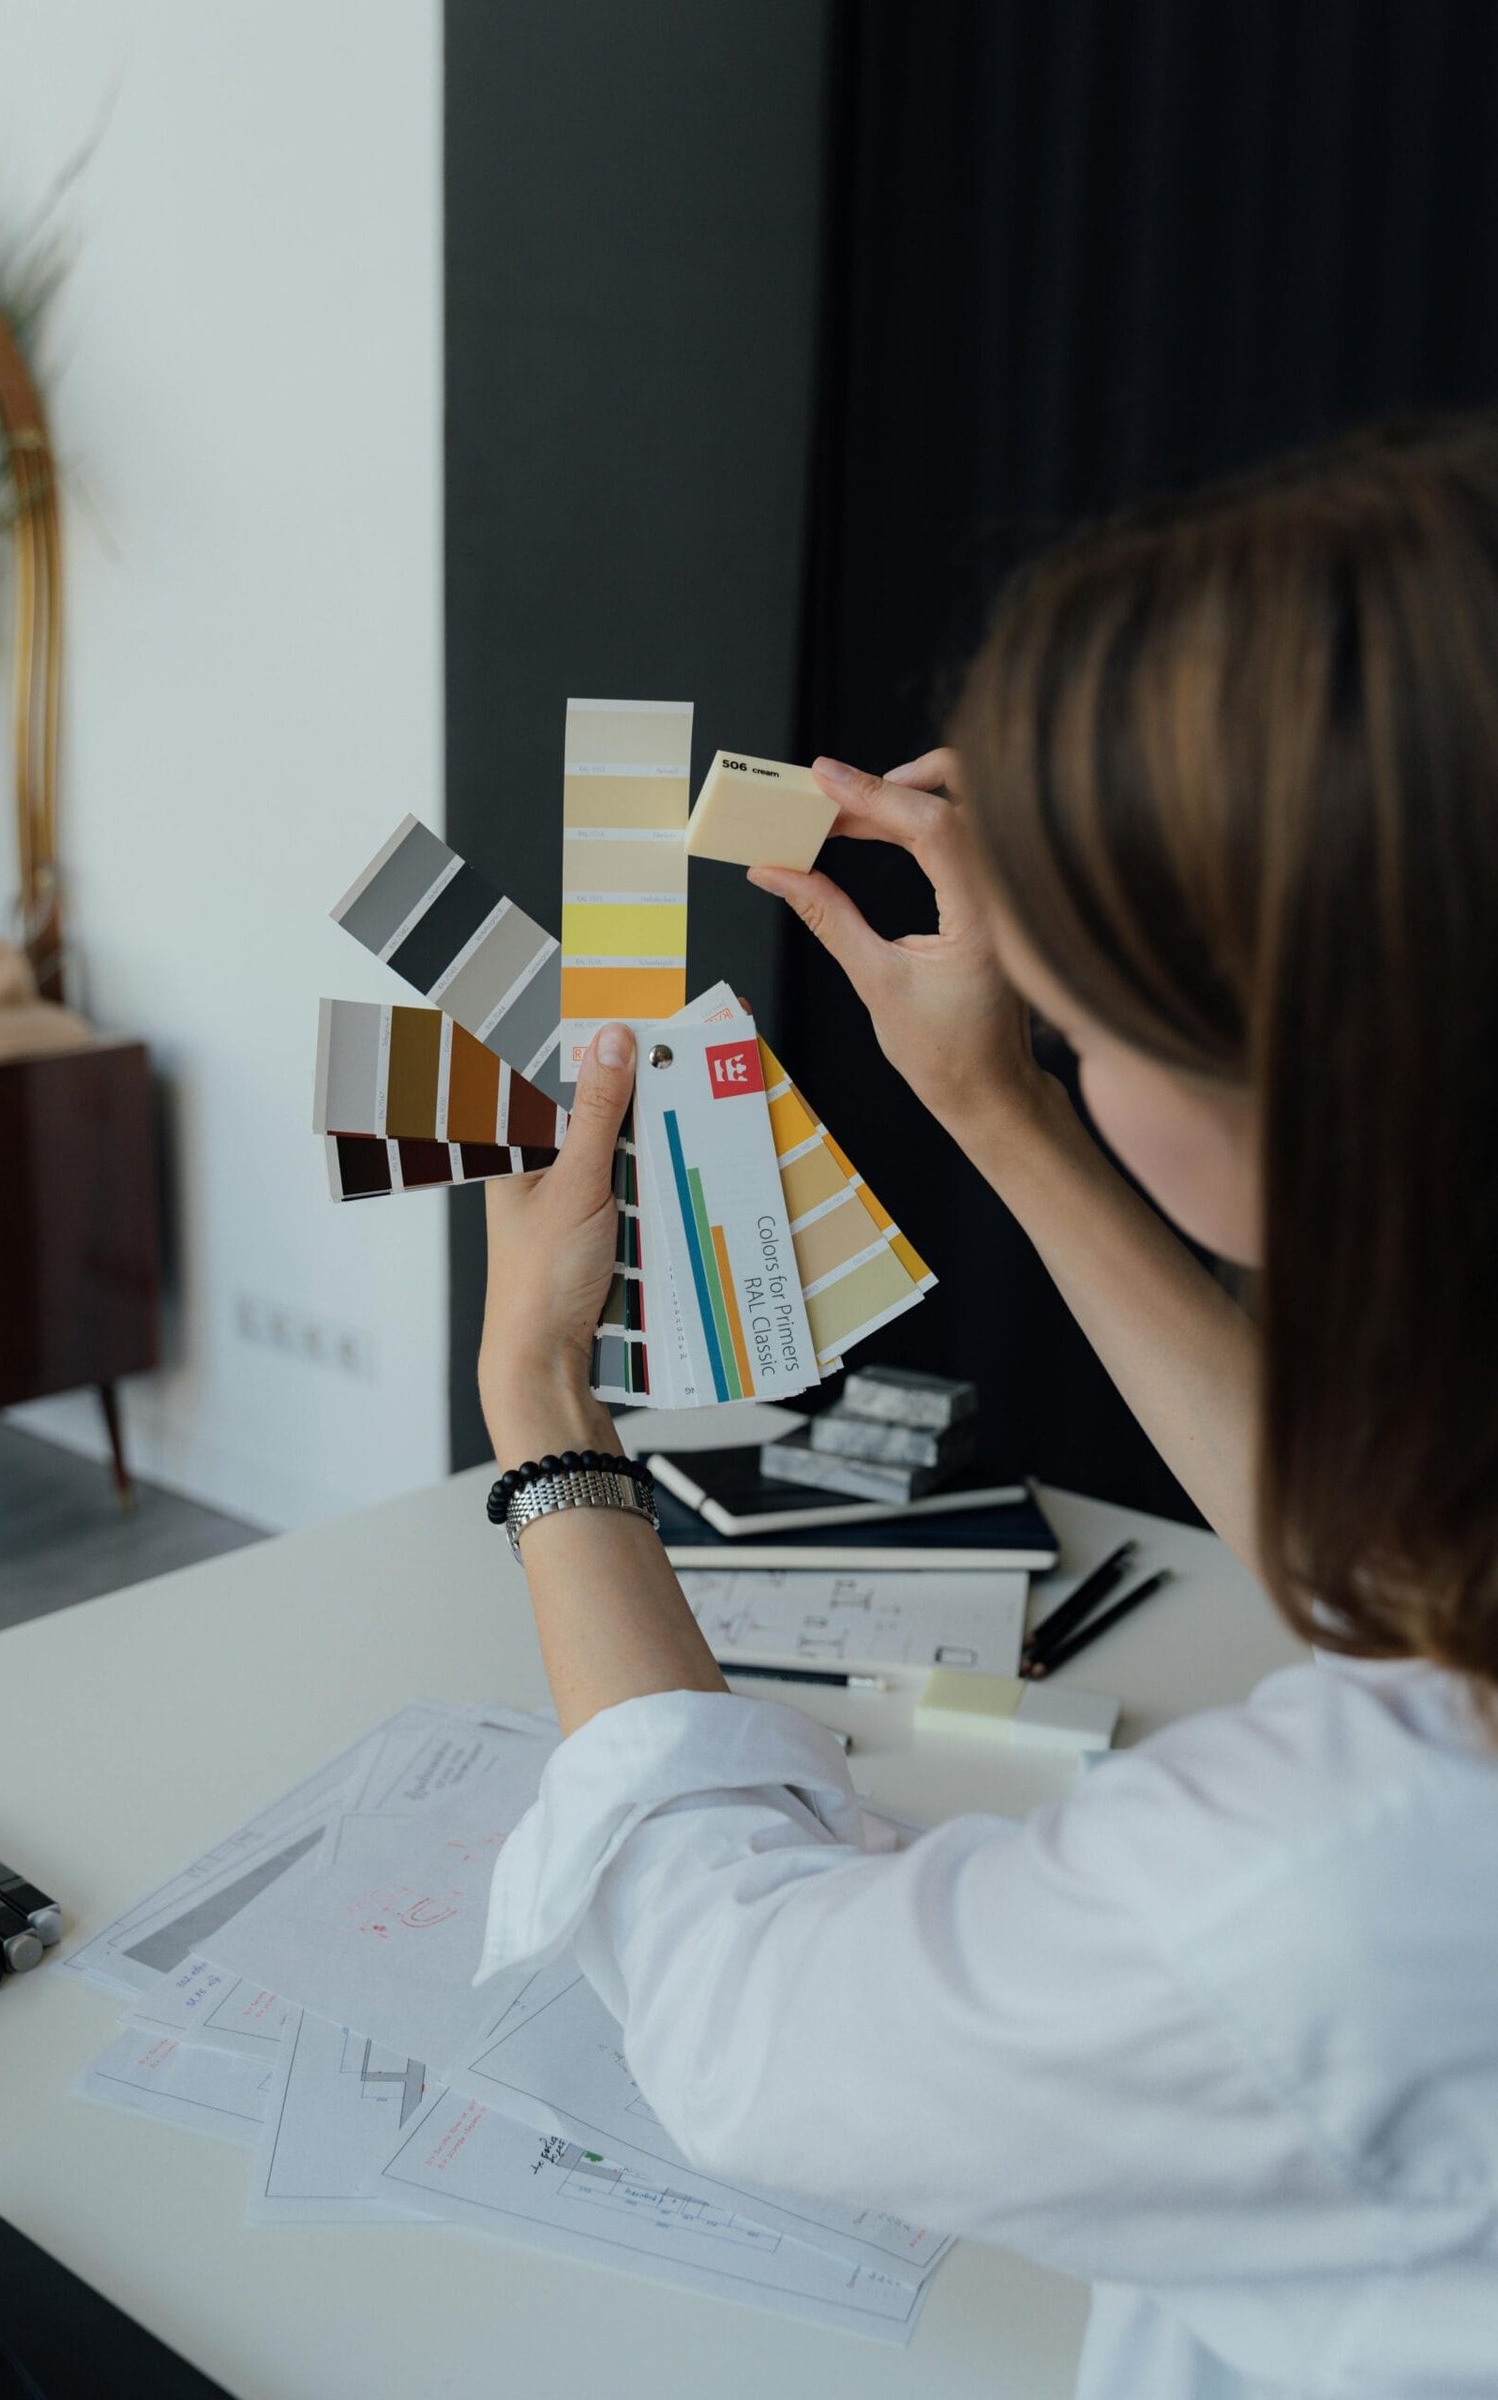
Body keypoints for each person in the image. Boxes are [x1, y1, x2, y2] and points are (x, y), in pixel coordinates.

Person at [475, 418, 1498, 2398]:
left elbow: (739, 2017)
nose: (1056, 1040)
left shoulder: (1334, 1889)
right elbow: (1394, 1576)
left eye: (1088, 1024)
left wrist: (540, 1410)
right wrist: (1001, 1106)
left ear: (1319, 1106)